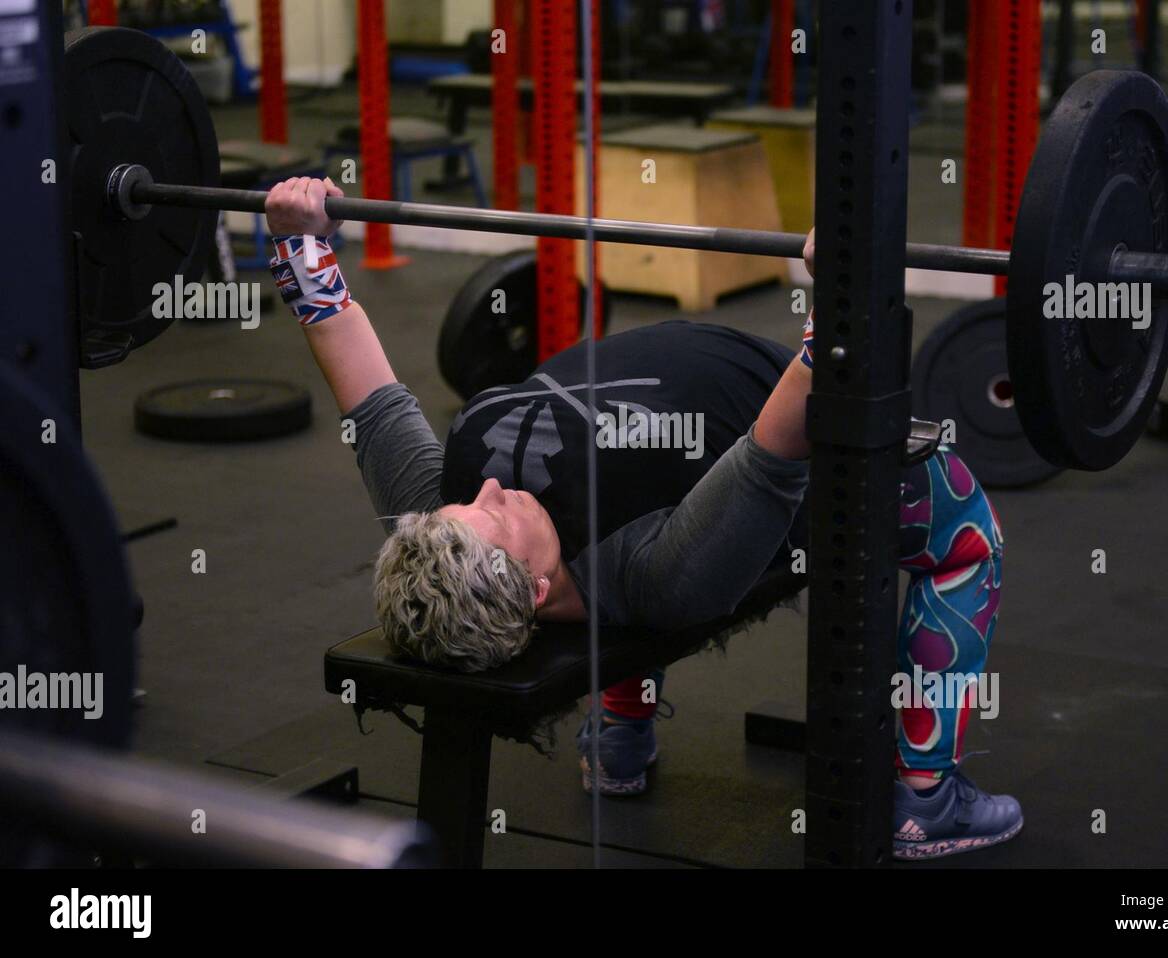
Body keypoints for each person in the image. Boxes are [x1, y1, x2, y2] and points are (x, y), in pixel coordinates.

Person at [265, 177, 1022, 860]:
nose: (486, 492)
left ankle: (622, 738)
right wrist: (843, 296)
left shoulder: (443, 529)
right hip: (804, 450)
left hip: (661, 490)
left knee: (633, 497)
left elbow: (367, 389)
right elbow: (779, 446)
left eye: (465, 504)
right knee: (966, 541)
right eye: (491, 516)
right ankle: (925, 796)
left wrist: (297, 239)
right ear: (531, 589)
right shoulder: (660, 575)